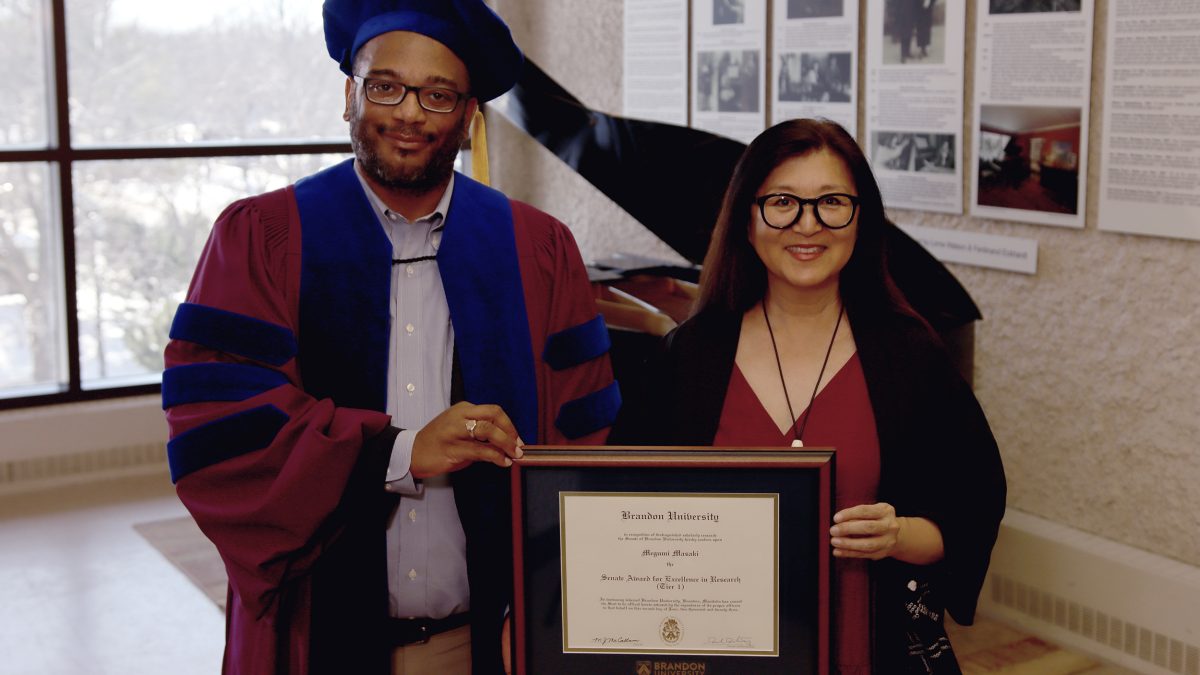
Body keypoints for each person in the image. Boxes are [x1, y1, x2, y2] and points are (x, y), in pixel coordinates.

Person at [160, 2, 619, 674]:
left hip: (486, 643)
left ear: (467, 116)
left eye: (438, 94)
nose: (409, 112)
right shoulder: (262, 237)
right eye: (385, 86)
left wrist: (552, 598)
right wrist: (401, 451)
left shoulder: (537, 250)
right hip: (313, 637)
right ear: (349, 93)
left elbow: (585, 445)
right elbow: (222, 436)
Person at [610, 118, 1006, 673]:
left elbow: (971, 510)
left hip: (869, 649)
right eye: (783, 202)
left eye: (831, 202)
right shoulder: (689, 356)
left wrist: (895, 535)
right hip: (714, 650)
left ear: (860, 219)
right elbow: (625, 511)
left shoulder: (911, 354)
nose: (808, 224)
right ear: (748, 218)